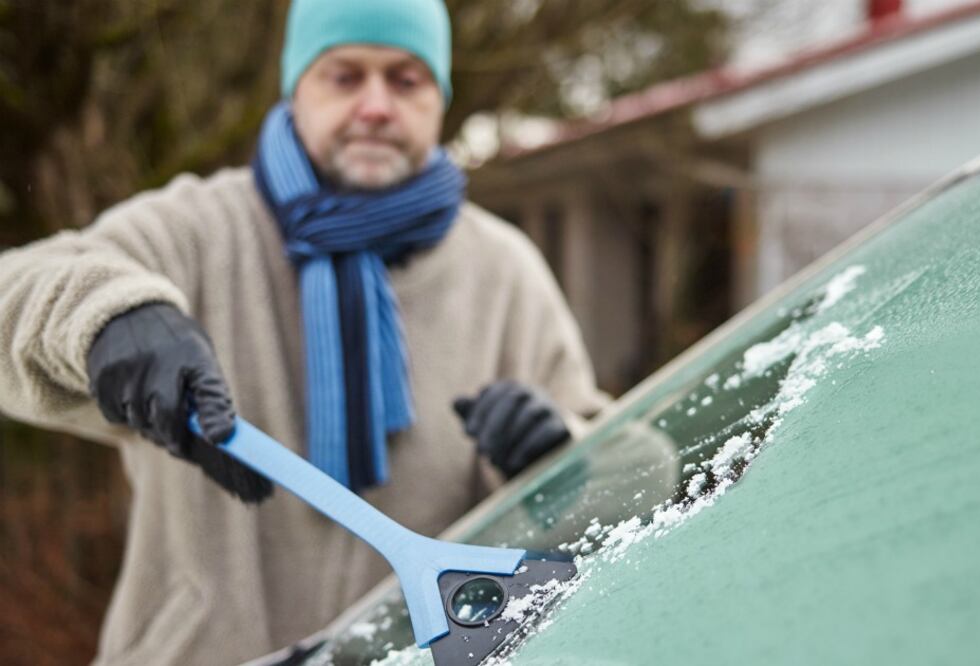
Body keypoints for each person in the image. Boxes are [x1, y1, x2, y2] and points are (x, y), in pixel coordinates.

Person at [0, 0, 608, 663]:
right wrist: (111, 315)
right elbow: (20, 284)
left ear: (440, 99)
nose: (375, 105)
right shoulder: (198, 228)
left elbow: (622, 476)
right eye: (344, 76)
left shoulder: (503, 270)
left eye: (406, 80)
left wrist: (557, 460)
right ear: (297, 89)